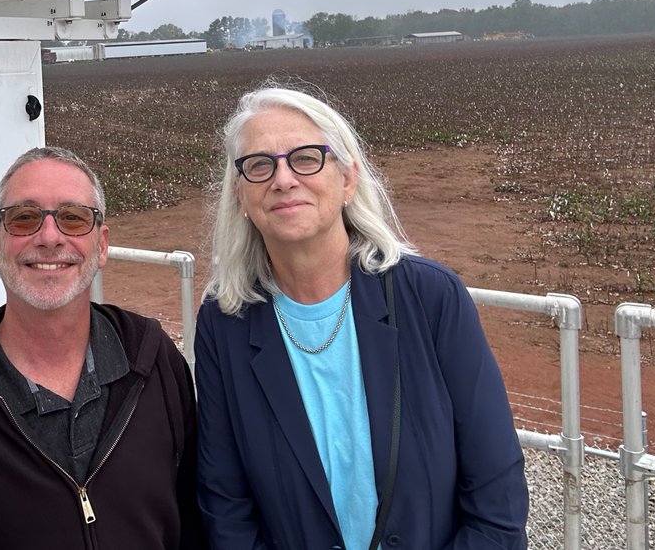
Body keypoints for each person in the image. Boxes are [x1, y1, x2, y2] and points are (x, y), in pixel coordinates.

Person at [195, 86, 528, 550]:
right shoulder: (225, 321)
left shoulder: (430, 298)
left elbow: (497, 493)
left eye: (306, 157)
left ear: (348, 179)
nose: (283, 179)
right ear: (241, 194)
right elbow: (225, 501)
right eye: (259, 165)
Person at [0, 147, 204, 549]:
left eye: (73, 218)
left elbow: (194, 518)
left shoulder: (153, 360)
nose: (49, 237)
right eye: (24, 218)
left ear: (101, 245)